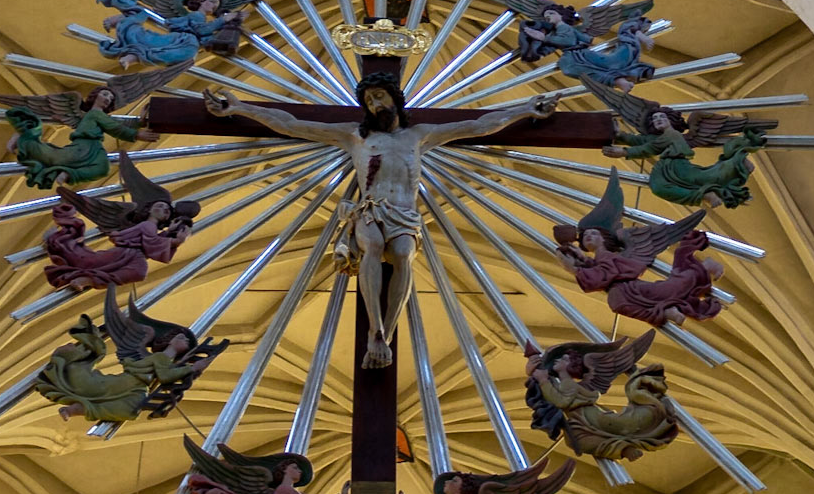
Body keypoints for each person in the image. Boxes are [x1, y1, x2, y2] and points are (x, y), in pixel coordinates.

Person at [205, 74, 556, 365]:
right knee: (372, 247)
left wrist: (524, 109)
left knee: (403, 255)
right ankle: (375, 330)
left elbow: (478, 125)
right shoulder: (356, 136)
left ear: (395, 100)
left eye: (379, 97)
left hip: (405, 213)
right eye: (369, 101)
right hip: (372, 208)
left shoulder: (419, 136)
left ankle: (385, 334)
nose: (374, 105)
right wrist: (240, 107)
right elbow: (292, 124)